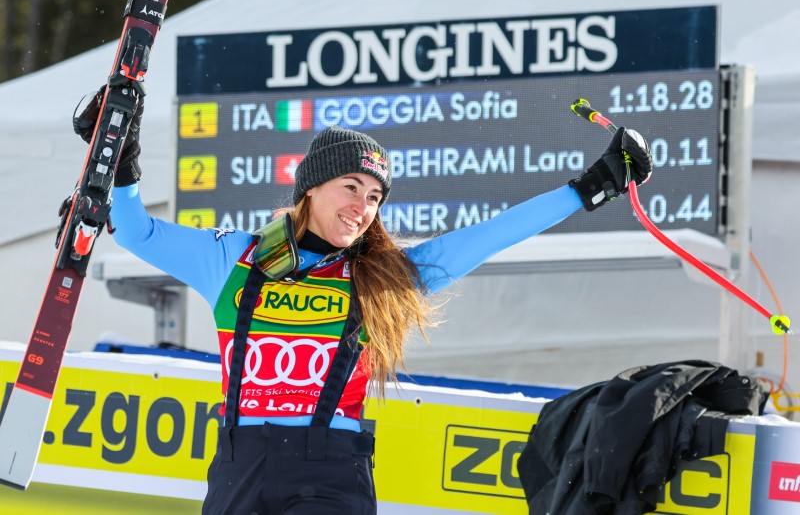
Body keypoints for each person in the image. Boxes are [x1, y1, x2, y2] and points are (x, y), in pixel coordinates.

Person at [73, 89, 652, 514]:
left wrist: (593, 183)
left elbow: (493, 233)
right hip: (238, 464)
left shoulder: (385, 278)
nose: (363, 205)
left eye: (375, 196)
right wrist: (122, 158)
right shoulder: (234, 259)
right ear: (310, 188)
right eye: (351, 187)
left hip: (330, 469)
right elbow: (137, 230)